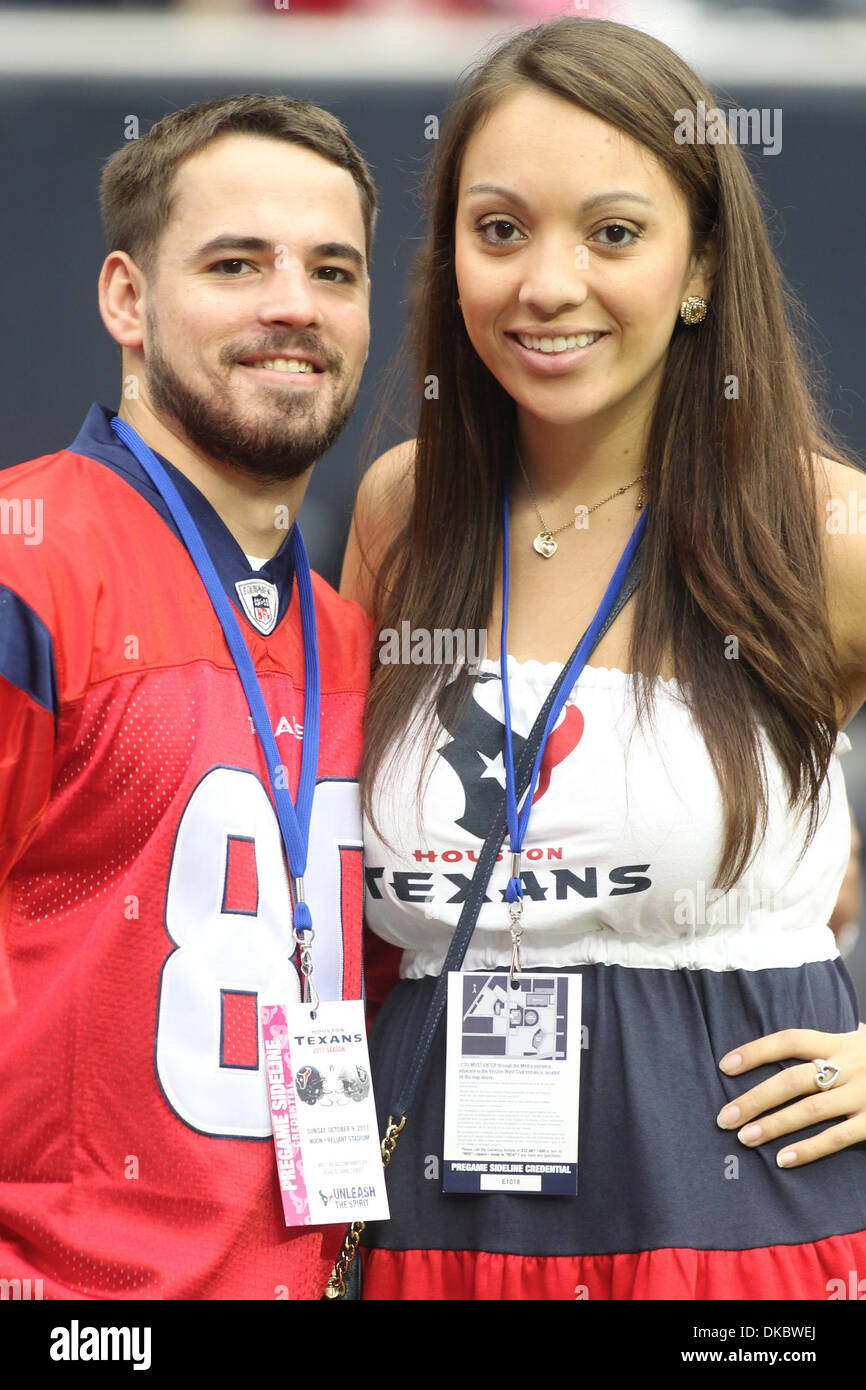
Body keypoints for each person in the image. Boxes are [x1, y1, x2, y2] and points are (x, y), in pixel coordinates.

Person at [341, 17, 866, 1300]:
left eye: (613, 233)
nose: (545, 284)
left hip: (737, 1233)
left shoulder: (825, 532)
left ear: (698, 268)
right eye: (500, 228)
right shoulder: (402, 511)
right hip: (429, 1231)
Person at [0, 94, 375, 1300]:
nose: (292, 305)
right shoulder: (27, 559)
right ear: (125, 298)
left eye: (332, 269)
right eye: (235, 263)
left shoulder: (349, 637)